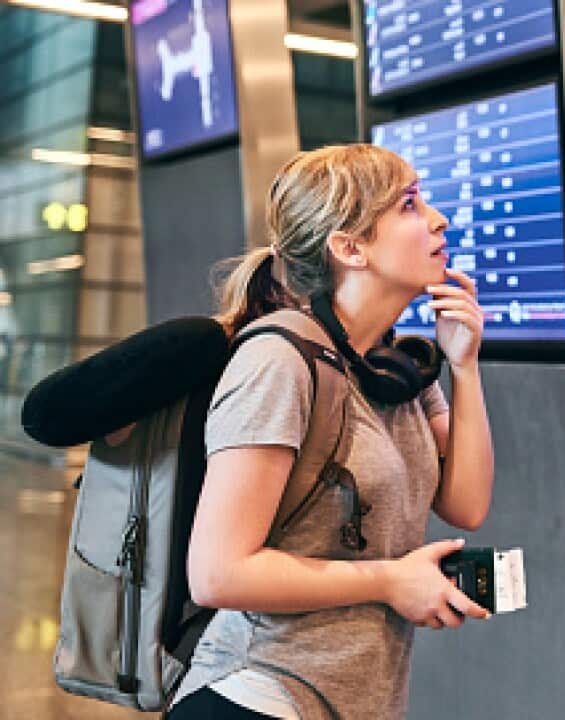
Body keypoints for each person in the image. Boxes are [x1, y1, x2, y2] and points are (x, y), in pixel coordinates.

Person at [166, 144, 495, 720]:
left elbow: (466, 505)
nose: (439, 220)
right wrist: (389, 580)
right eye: (411, 205)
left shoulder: (399, 369)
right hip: (259, 695)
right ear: (349, 247)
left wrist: (464, 367)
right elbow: (218, 573)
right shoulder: (278, 362)